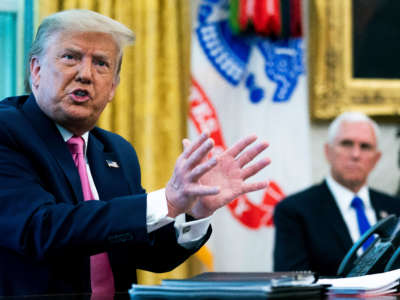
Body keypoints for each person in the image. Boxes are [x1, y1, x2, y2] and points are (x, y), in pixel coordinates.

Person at [0, 9, 271, 296]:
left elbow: (149, 254)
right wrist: (166, 201)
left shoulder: (116, 151)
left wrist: (194, 210)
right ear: (36, 70)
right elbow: (40, 230)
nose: (85, 74)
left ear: (113, 87)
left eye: (101, 64)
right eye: (70, 57)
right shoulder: (7, 131)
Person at [273, 111, 400, 276]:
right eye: (347, 144)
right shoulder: (295, 210)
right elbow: (292, 281)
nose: (355, 154)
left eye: (365, 146)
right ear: (328, 152)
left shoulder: (395, 207)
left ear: (376, 159)